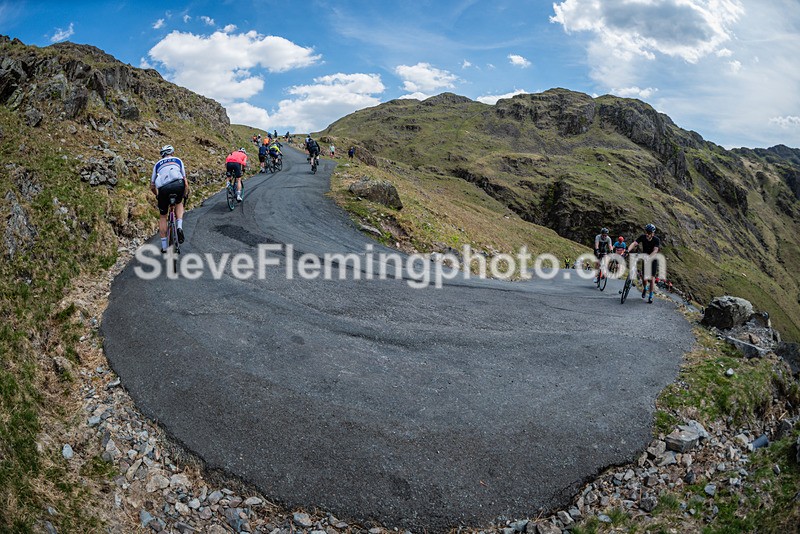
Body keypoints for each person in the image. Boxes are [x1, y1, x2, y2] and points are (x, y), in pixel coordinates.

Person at [150, 145, 189, 252]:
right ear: (172, 153)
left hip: (163, 188)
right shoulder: (178, 160)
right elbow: (185, 182)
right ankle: (179, 227)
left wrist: (157, 195)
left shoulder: (157, 164)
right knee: (179, 203)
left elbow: (152, 186)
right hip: (178, 184)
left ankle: (164, 246)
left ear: (162, 155)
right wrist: (184, 194)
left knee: (163, 216)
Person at [627, 223, 661, 304]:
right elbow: (634, 243)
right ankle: (645, 288)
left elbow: (655, 250)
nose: (647, 234)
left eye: (649, 232)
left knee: (652, 278)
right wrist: (627, 250)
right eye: (646, 232)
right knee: (644, 277)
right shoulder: (643, 237)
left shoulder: (656, 240)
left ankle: (650, 296)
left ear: (653, 233)